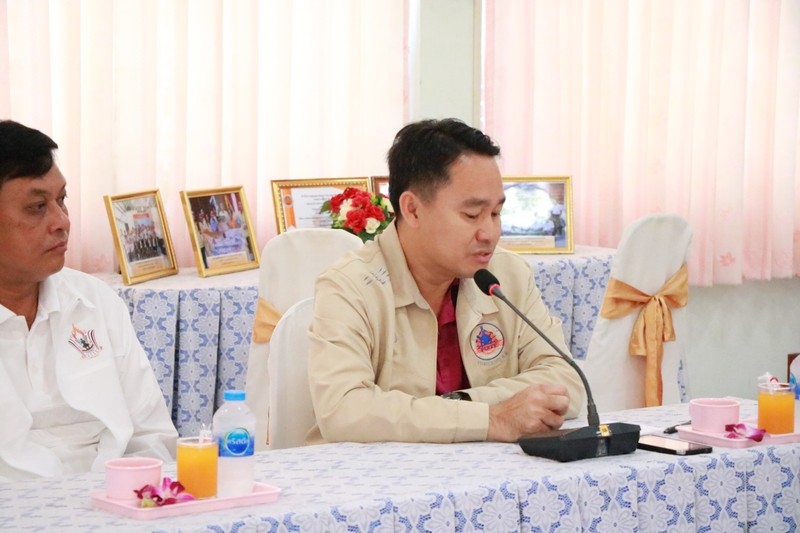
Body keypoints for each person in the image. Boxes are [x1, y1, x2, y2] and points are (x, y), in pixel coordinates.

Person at [307, 118, 585, 444]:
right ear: (412, 210)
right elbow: (344, 412)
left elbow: (566, 381)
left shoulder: (507, 274)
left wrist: (461, 405)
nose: (489, 233)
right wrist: (490, 418)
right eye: (472, 215)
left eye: (496, 214)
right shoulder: (350, 286)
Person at [0, 120, 177, 481]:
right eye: (37, 207)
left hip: (112, 495)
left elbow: (151, 435)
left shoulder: (95, 301)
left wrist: (128, 494)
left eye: (61, 200)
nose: (62, 221)